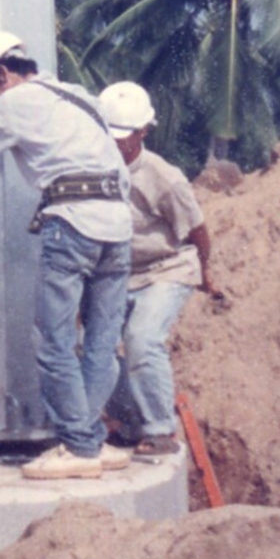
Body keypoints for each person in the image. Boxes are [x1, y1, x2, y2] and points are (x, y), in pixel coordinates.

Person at [0, 30, 132, 482]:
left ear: (3, 74)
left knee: (54, 341)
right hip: (118, 226)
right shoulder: (79, 96)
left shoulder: (14, 102)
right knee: (102, 342)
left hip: (73, 223)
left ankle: (80, 446)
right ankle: (90, 442)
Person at [98, 81, 217, 455]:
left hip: (167, 267)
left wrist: (206, 272)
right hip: (121, 271)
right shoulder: (96, 167)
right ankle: (132, 425)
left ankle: (160, 430)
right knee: (93, 346)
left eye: (122, 136)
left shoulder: (164, 177)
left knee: (142, 338)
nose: (115, 142)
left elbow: (197, 231)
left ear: (143, 131)